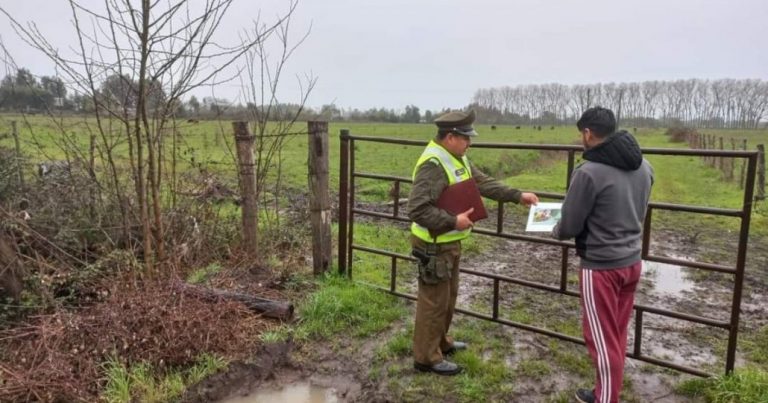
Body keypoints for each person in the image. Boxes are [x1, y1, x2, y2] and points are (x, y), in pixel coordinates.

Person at [407, 109, 539, 375]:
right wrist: (453, 221)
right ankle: (425, 357)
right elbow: (417, 209)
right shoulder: (433, 164)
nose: (470, 143)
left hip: (448, 243)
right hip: (433, 245)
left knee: (447, 298)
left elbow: (483, 183)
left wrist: (517, 195)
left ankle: (441, 344)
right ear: (451, 137)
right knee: (433, 301)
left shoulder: (457, 157)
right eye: (466, 137)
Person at [552, 107, 654, 403]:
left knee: (599, 338)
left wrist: (555, 229)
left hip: (600, 267)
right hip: (632, 262)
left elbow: (570, 224)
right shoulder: (644, 166)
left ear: (588, 133)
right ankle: (603, 390)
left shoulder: (588, 172)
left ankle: (606, 398)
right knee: (616, 334)